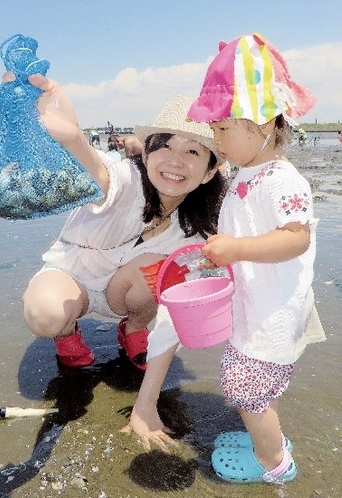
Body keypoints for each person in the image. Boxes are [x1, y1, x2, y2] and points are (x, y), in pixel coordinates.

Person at [123, 32, 325, 484]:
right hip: (254, 305)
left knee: (246, 391)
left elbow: (295, 239)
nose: (216, 139)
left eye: (222, 129)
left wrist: (235, 249)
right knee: (245, 384)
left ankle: (274, 463)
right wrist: (223, 256)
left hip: (273, 313)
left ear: (265, 123)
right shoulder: (247, 171)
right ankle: (266, 442)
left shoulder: (283, 181)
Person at [10, 70, 227, 372]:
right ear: (147, 154)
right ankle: (65, 333)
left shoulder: (205, 221)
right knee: (44, 314)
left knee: (164, 267)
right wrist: (73, 138)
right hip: (73, 276)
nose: (175, 161)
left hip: (125, 292)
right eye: (165, 146)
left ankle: (134, 329)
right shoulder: (128, 179)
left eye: (192, 151)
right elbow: (100, 174)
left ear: (209, 171)